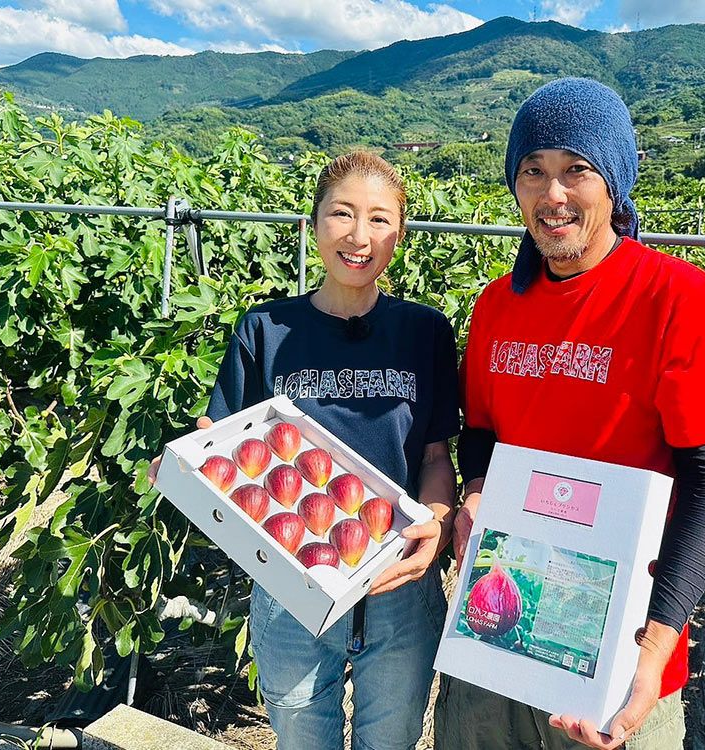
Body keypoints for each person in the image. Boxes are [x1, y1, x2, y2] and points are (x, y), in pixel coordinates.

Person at [434, 78, 705, 750]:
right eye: (533, 171)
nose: (553, 194)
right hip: (494, 633)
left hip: (615, 651)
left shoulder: (680, 300)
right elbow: (483, 433)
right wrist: (476, 491)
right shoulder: (497, 305)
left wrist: (655, 648)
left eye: (576, 169)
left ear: (614, 184)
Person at [152, 151, 459, 750]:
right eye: (342, 213)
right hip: (290, 580)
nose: (359, 235)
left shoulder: (424, 332)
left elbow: (433, 457)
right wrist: (186, 464)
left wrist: (438, 526)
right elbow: (224, 443)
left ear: (399, 234)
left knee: (391, 740)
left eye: (379, 219)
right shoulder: (265, 330)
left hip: (397, 579)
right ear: (312, 224)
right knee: (301, 737)